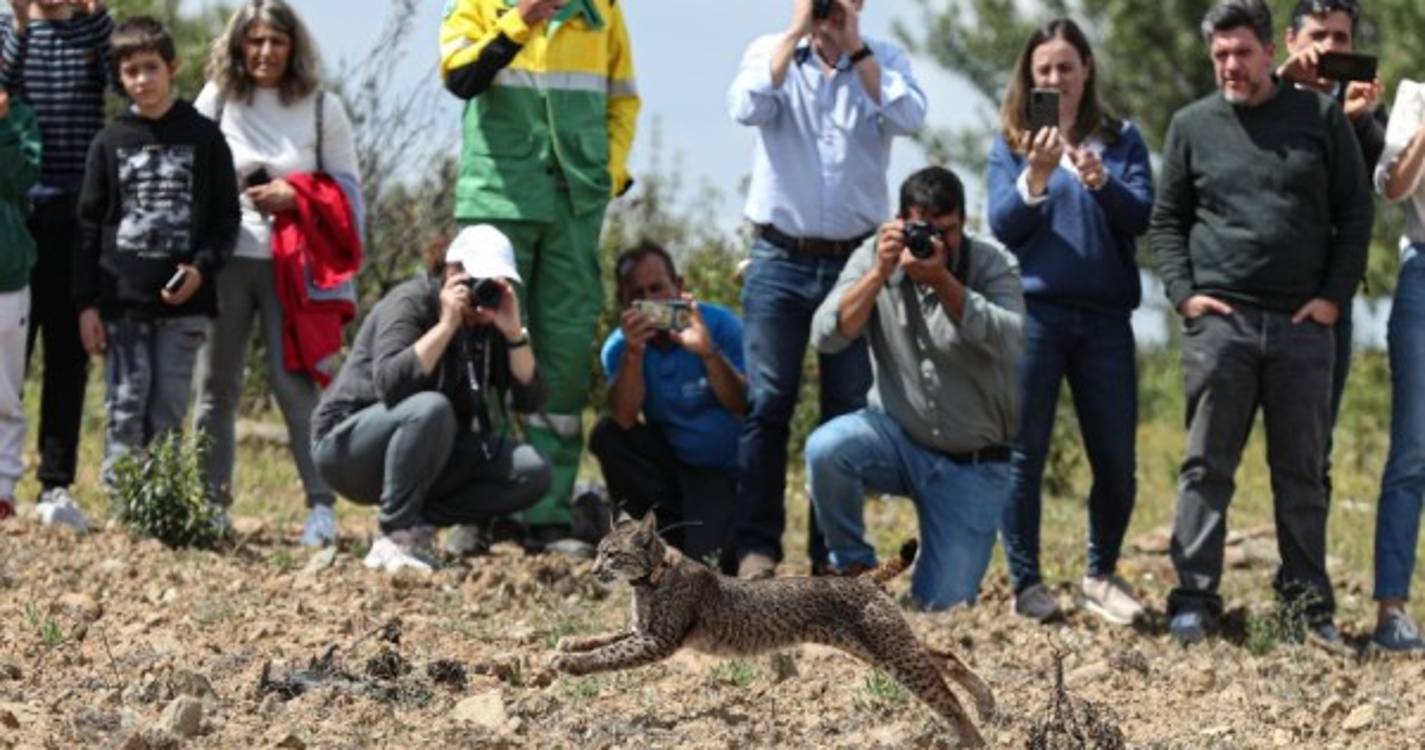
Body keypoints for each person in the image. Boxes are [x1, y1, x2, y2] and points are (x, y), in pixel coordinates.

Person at [1149, 0, 1372, 646]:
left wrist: (1332, 298)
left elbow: (1355, 213)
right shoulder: (1191, 125)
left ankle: (1306, 609)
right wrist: (1184, 295)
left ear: (1271, 52)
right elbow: (1167, 222)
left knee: (1301, 474)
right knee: (1206, 467)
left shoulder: (1319, 118)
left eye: (1242, 52)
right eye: (1219, 53)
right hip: (1222, 326)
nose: (1230, 65)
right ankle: (1193, 601)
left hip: (1302, 324)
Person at [727, 0, 927, 579]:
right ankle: (757, 549)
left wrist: (856, 48)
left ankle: (832, 555)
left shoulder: (884, 60)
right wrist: (796, 31)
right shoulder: (771, 52)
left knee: (844, 411)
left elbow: (910, 116)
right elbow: (745, 106)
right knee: (768, 403)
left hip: (855, 265)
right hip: (779, 255)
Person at [439, 0, 639, 556]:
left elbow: (623, 100)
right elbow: (459, 77)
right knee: (482, 346)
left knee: (565, 356)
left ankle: (547, 512)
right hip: (498, 198)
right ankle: (480, 508)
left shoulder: (603, 9)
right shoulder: (478, 5)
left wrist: (607, 174)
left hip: (575, 202)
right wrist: (521, 19)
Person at [987, 18, 1154, 625]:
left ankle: (1100, 576)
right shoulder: (1012, 143)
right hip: (1035, 315)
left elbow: (1141, 217)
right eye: (1044, 70)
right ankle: (1027, 583)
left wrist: (1102, 182)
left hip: (1107, 320)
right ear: (1029, 78)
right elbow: (1003, 225)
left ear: (1087, 69)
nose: (1056, 78)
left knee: (1115, 459)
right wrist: (1035, 176)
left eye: (1066, 66)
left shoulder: (1122, 139)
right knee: (1023, 453)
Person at [806, 166, 1024, 611]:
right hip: (897, 438)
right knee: (827, 449)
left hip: (973, 462)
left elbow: (1016, 342)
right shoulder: (876, 254)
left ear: (963, 222)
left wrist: (943, 281)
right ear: (901, 223)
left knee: (941, 607)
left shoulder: (992, 261)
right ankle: (855, 573)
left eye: (947, 231)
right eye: (924, 230)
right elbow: (826, 336)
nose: (936, 242)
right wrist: (878, 273)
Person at [191, 0, 363, 545]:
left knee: (295, 384)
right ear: (239, 45)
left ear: (294, 47)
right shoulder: (217, 99)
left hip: (293, 266)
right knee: (215, 384)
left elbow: (349, 193)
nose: (265, 52)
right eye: (256, 40)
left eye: (277, 41)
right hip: (228, 257)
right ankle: (211, 503)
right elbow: (188, 171)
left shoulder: (322, 108)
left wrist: (297, 194)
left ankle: (321, 506)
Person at [310, 226, 551, 573]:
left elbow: (530, 399)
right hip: (346, 448)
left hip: (426, 447)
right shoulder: (411, 301)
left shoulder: (487, 325)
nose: (484, 293)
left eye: (495, 283)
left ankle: (418, 524)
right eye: (479, 280)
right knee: (431, 409)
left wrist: (514, 334)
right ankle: (393, 536)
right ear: (453, 272)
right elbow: (390, 384)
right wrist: (446, 325)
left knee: (532, 470)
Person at [74, 16, 241, 492]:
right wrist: (87, 304)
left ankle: (161, 502)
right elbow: (88, 227)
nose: (142, 80)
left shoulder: (205, 138)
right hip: (122, 304)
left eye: (151, 68)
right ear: (119, 77)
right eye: (131, 71)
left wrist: (201, 269)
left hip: (184, 306)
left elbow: (225, 219)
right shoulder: (109, 141)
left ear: (173, 67)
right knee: (125, 403)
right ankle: (123, 500)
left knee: (169, 408)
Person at [0, 0, 112, 530]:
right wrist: (21, 25)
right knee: (7, 357)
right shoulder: (8, 26)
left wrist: (98, 14)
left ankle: (56, 482)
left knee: (67, 354)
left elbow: (122, 80)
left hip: (79, 214)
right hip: (17, 211)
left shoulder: (93, 27)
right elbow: (2, 89)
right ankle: (2, 480)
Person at [1276, 0, 1387, 510]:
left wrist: (1355, 120)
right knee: (1222, 442)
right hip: (1256, 293)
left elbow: (1376, 185)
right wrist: (1281, 84)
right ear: (1291, 40)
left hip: (1326, 297)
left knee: (1314, 442)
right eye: (1319, 35)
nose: (1329, 48)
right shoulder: (1265, 95)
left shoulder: (1360, 107)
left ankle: (1305, 555)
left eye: (1341, 39)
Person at [591, 241, 747, 565]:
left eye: (657, 288)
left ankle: (700, 536)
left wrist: (708, 353)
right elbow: (624, 417)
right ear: (624, 302)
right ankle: (653, 538)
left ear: (679, 286)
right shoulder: (620, 348)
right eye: (638, 294)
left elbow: (745, 406)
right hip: (672, 470)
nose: (651, 301)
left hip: (726, 472)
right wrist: (634, 354)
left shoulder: (721, 326)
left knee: (711, 562)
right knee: (607, 434)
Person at [1369, 77, 1425, 654]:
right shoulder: (1415, 98)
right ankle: (1392, 612)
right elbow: (1392, 188)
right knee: (1413, 449)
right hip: (1423, 274)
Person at [0, 88, 41, 521]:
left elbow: (23, 178)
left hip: (7, 273)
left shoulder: (20, 118)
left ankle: (3, 489)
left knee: (5, 392)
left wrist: (2, 126)